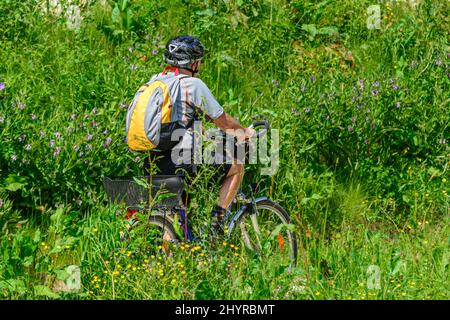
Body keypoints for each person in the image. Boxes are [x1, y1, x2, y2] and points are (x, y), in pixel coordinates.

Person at [142, 35, 255, 235]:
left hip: (153, 163)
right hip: (182, 164)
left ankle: (173, 259)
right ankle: (216, 226)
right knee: (236, 167)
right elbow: (223, 121)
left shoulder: (155, 82)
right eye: (199, 60)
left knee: (175, 220)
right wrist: (244, 132)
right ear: (193, 62)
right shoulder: (192, 84)